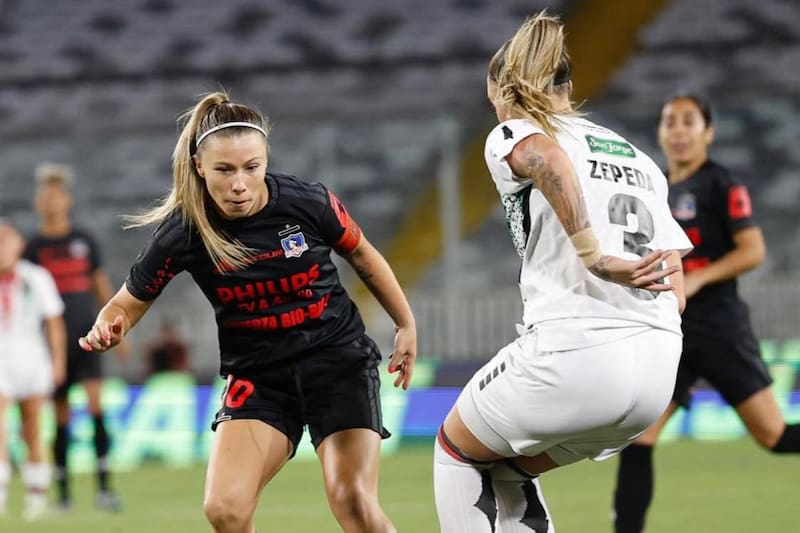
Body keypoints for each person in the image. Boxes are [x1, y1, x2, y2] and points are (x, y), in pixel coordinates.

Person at [78, 90, 417, 533]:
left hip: (336, 364)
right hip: (260, 379)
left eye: (251, 168)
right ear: (200, 166)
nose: (239, 183)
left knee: (353, 503)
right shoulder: (185, 230)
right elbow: (126, 302)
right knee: (225, 510)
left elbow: (365, 257)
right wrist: (110, 324)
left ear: (265, 161)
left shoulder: (307, 202)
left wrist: (405, 322)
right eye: (224, 169)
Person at [433, 12, 693, 532]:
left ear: (503, 91)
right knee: (505, 469)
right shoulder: (640, 160)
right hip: (658, 372)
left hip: (577, 358)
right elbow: (677, 288)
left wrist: (593, 256)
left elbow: (544, 157)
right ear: (569, 86)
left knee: (456, 450)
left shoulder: (517, 131)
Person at [611, 93, 800, 533]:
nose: (677, 131)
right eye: (669, 121)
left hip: (719, 329)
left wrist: (696, 279)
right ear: (660, 132)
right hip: (673, 331)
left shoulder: (721, 184)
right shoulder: (655, 187)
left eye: (688, 121)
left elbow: (753, 250)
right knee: (641, 437)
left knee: (774, 437)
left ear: (708, 132)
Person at [24, 163, 127, 511]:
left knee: (97, 409)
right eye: (46, 193)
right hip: (53, 346)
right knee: (61, 417)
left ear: (67, 199)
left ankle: (104, 488)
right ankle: (64, 495)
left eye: (58, 193)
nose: (52, 200)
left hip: (89, 337)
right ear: (38, 201)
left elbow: (100, 286)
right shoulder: (33, 248)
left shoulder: (84, 241)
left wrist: (119, 326)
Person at [0, 221, 66, 521]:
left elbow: (54, 322)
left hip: (31, 358)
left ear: (18, 245)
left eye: (6, 240)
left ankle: (36, 497)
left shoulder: (36, 277)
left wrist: (58, 362)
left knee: (32, 427)